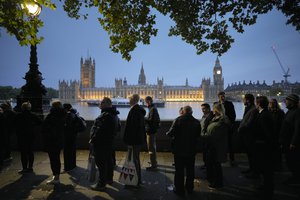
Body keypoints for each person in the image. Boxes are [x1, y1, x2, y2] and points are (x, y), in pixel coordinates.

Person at [166, 106, 201, 196]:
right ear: (191, 112)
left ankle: (179, 189)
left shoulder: (178, 120)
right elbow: (198, 136)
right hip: (191, 149)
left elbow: (170, 133)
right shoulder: (197, 122)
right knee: (190, 170)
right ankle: (190, 187)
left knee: (179, 170)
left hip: (179, 150)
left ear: (183, 111)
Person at [90, 97, 120, 191]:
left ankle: (101, 184)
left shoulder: (106, 115)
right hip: (109, 142)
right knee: (109, 161)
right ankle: (109, 179)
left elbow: (99, 130)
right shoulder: (115, 115)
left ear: (106, 104)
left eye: (102, 102)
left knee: (101, 164)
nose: (100, 103)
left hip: (101, 143)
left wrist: (93, 139)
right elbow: (118, 128)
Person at [202, 103, 230, 189]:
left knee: (216, 165)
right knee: (213, 164)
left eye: (214, 109)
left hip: (216, 146)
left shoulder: (222, 120)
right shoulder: (215, 118)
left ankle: (218, 183)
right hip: (212, 145)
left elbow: (215, 135)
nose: (212, 111)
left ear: (217, 110)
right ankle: (215, 180)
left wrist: (203, 136)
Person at [253, 96, 275, 200]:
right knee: (265, 169)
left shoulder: (264, 115)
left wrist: (261, 141)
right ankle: (265, 186)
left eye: (256, 103)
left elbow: (267, 133)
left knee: (266, 169)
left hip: (264, 146)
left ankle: (267, 192)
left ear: (258, 104)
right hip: (264, 145)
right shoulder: (265, 113)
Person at [123, 94, 146, 186]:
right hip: (137, 140)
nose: (128, 101)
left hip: (134, 140)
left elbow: (133, 128)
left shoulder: (135, 111)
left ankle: (136, 180)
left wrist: (129, 141)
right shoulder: (138, 110)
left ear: (133, 100)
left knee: (134, 160)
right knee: (135, 159)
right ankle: (135, 179)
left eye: (130, 99)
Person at [15, 102, 42, 173]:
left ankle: (24, 168)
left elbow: (15, 124)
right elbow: (40, 122)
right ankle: (30, 167)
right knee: (30, 151)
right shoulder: (33, 115)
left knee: (23, 153)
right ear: (29, 108)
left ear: (22, 108)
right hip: (31, 135)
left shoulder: (19, 115)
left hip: (21, 135)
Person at [43, 101, 66, 184]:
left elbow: (45, 127)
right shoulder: (63, 115)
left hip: (52, 140)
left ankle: (56, 178)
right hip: (59, 140)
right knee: (56, 159)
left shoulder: (51, 115)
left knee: (53, 159)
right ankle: (56, 177)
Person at [279, 94, 300, 185]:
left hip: (291, 142)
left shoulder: (297, 112)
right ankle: (294, 176)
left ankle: (296, 178)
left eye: (287, 100)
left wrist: (293, 142)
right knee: (289, 160)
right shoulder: (290, 111)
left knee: (293, 161)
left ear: (292, 102)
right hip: (286, 141)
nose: (285, 102)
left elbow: (298, 128)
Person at [238, 93, 258, 177]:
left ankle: (255, 172)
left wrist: (242, 128)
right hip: (247, 135)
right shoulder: (249, 108)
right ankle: (251, 168)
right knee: (250, 154)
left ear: (248, 100)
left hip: (250, 135)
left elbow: (249, 123)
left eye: (244, 99)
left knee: (253, 155)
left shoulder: (253, 109)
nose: (243, 101)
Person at [217, 91, 236, 166]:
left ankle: (232, 159)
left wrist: (230, 123)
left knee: (230, 144)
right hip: (220, 127)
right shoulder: (216, 104)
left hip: (228, 126)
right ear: (218, 97)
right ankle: (220, 159)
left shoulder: (229, 104)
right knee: (220, 144)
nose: (223, 97)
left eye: (223, 96)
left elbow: (233, 115)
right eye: (221, 96)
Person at [144, 96, 160, 171]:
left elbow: (151, 120)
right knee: (152, 147)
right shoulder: (153, 109)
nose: (145, 103)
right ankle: (153, 162)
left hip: (151, 131)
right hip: (152, 130)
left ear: (149, 101)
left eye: (146, 102)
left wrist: (143, 118)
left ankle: (153, 165)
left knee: (151, 148)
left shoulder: (153, 109)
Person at [268, 98, 285, 171]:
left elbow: (282, 125)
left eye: (273, 103)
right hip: (270, 135)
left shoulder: (280, 113)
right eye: (270, 102)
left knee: (277, 152)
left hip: (277, 134)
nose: (271, 104)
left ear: (276, 104)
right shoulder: (268, 112)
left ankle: (278, 166)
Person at [63, 103, 79, 172]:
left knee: (67, 152)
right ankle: (73, 165)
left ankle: (67, 167)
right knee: (72, 151)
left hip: (68, 136)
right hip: (73, 135)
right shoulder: (74, 113)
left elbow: (67, 126)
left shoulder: (68, 115)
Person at [200, 103, 214, 170]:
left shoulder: (210, 116)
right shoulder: (204, 116)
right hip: (203, 137)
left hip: (207, 137)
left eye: (204, 109)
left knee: (207, 153)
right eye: (202, 109)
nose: (203, 110)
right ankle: (206, 165)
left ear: (208, 108)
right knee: (204, 152)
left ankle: (208, 166)